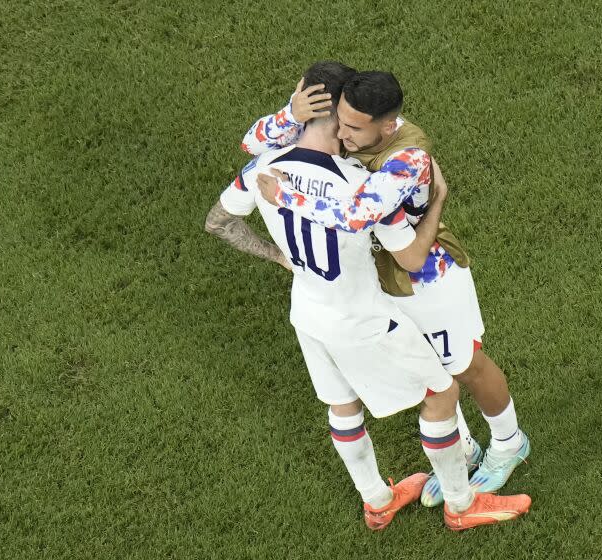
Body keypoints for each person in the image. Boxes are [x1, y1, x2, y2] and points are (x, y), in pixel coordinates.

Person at [206, 61, 530, 530]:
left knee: (460, 367)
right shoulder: (339, 170)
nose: (346, 131)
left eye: (355, 126)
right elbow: (262, 142)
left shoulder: (400, 161)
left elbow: (364, 221)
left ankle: (506, 444)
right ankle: (459, 479)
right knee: (437, 385)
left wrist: (287, 201)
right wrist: (289, 113)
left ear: (386, 124)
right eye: (340, 120)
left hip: (424, 285)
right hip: (373, 293)